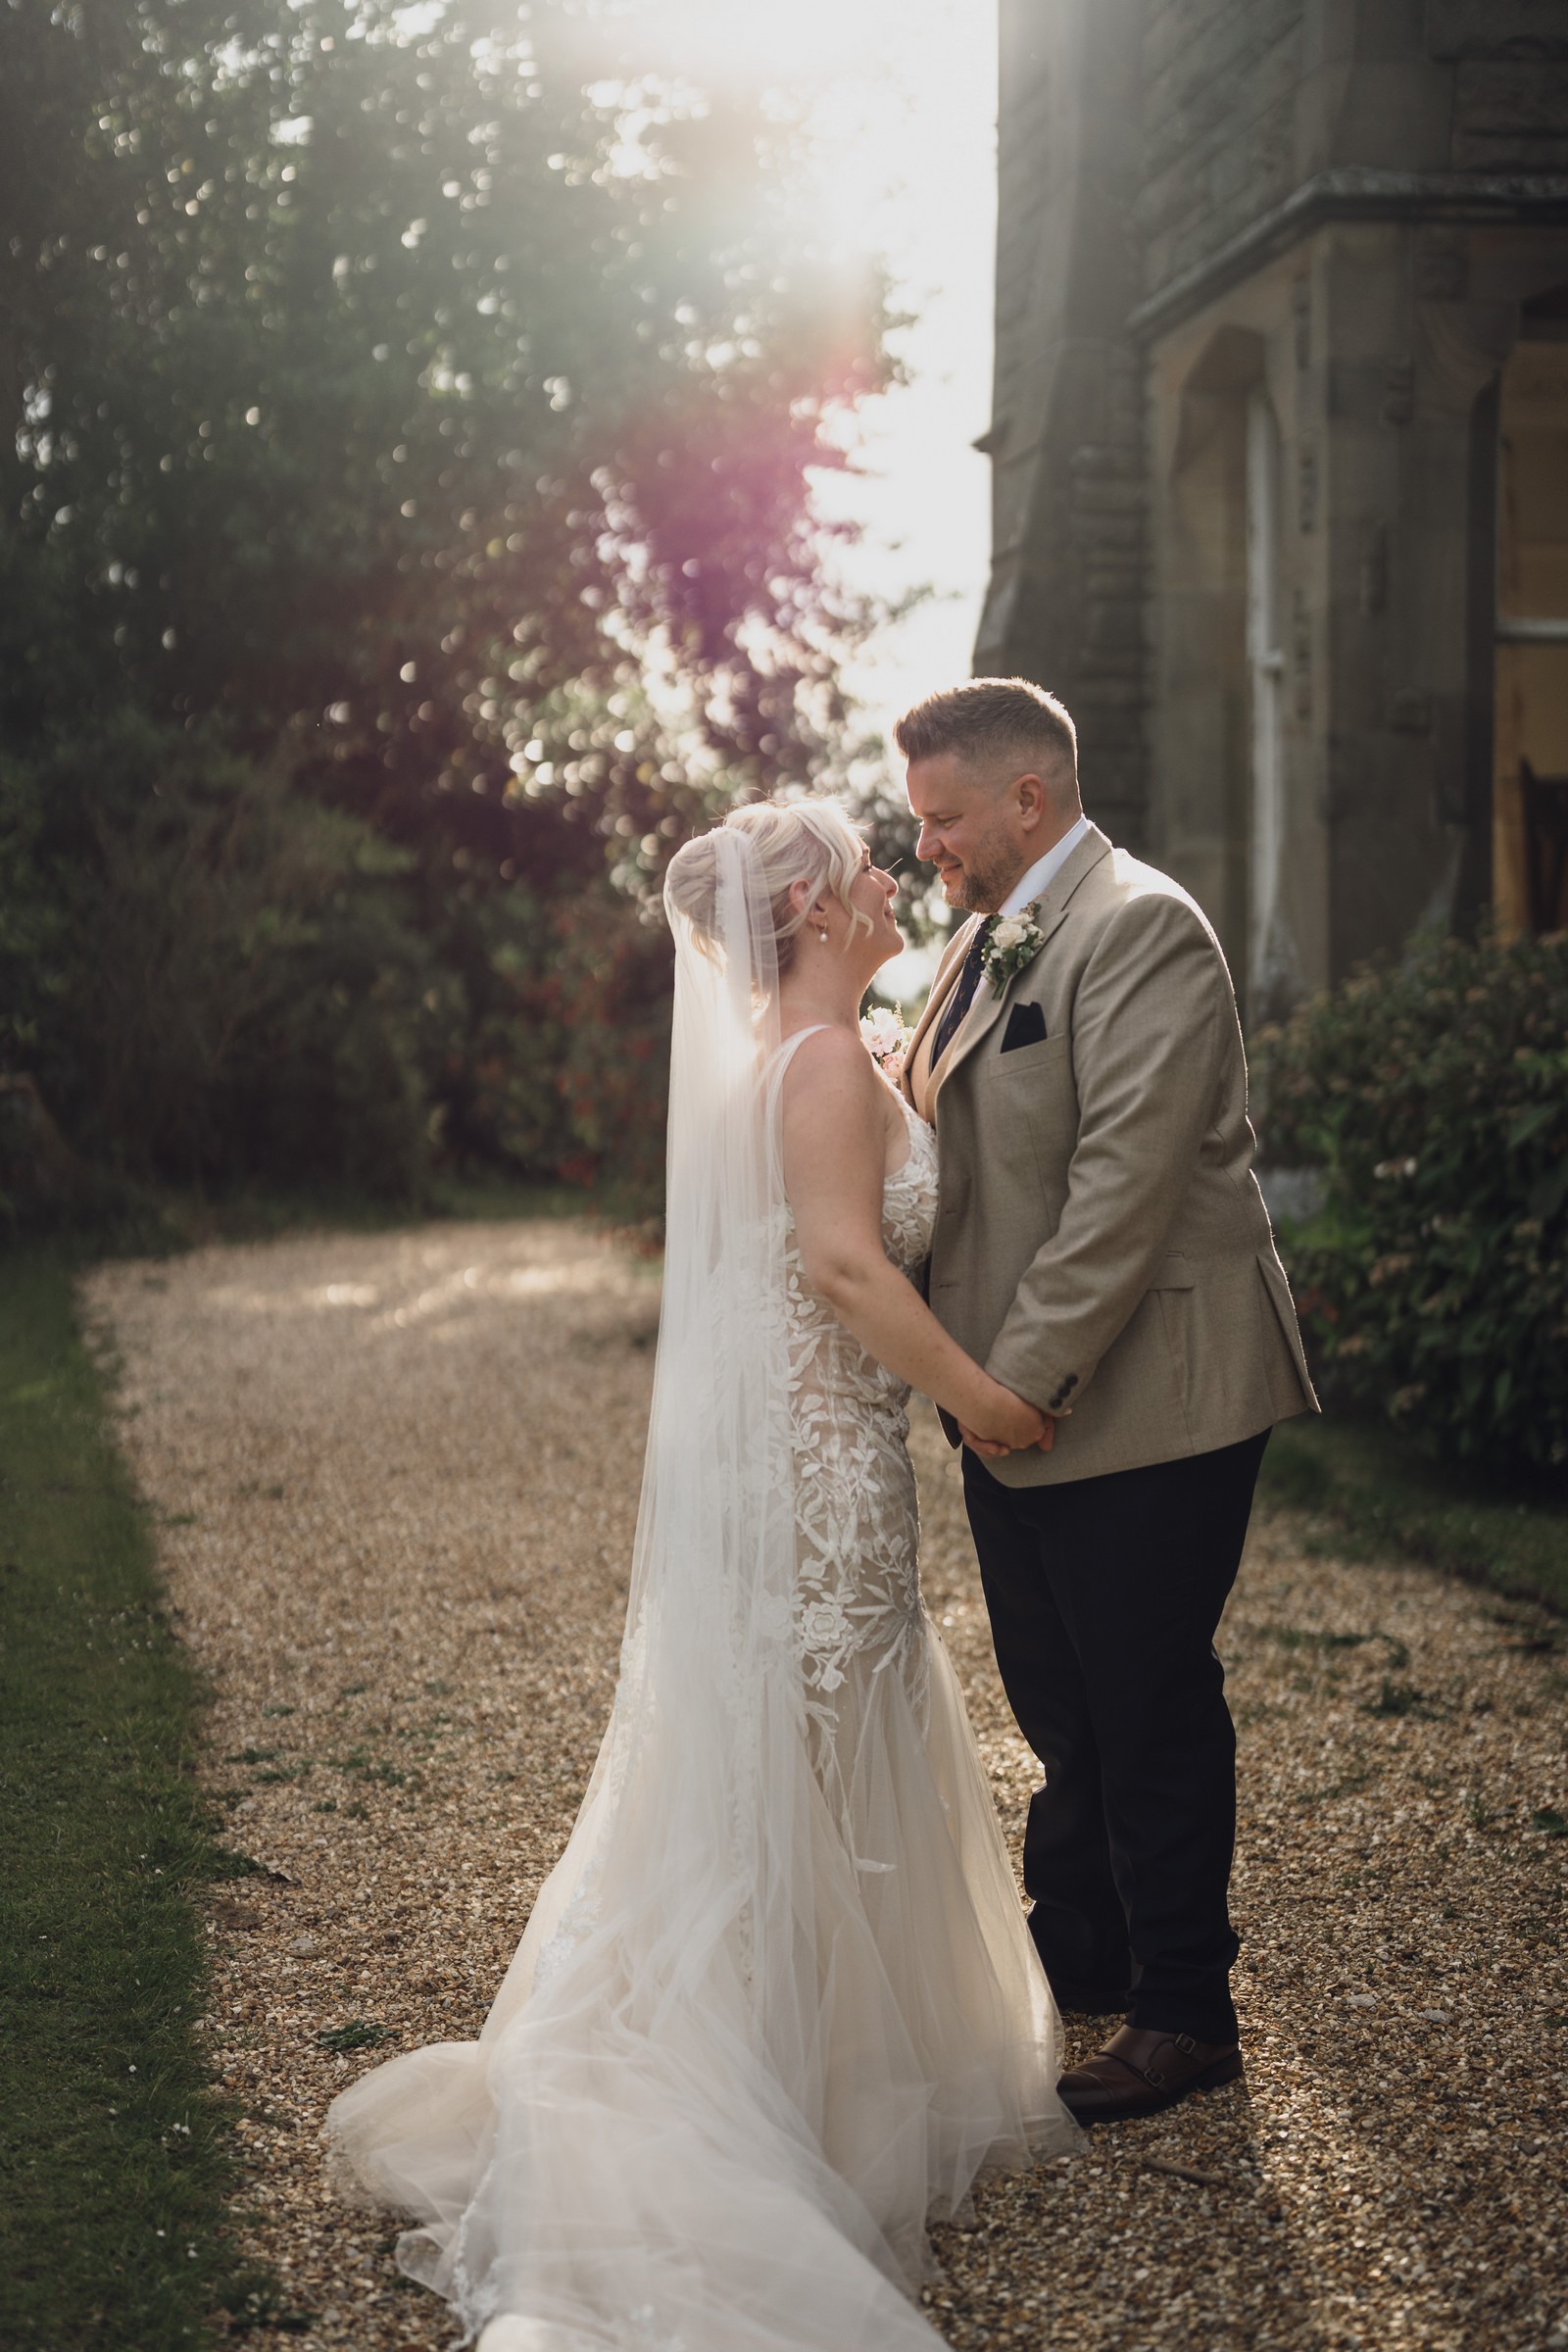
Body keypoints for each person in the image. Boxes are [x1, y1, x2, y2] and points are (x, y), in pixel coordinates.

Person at [324, 798, 1078, 2352]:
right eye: (867, 862)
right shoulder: (812, 1066)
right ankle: (767, 2089)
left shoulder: (825, 1052)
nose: (891, 874)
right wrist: (988, 1401)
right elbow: (847, 1266)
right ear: (807, 908)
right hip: (814, 1473)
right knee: (804, 1736)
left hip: (812, 1460)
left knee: (794, 1741)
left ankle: (810, 2059)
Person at [896, 676, 1318, 2127]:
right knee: (1063, 1703)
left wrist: (1014, 1384)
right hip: (1013, 1404)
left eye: (946, 818)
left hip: (1153, 1389)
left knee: (1144, 1700)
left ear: (1031, 797)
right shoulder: (975, 941)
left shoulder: (1141, 927)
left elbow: (1120, 1193)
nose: (930, 847)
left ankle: (1189, 2012)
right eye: (919, 822)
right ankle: (1081, 1944)